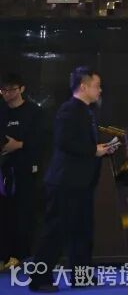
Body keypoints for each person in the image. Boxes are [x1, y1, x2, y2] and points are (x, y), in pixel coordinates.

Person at [29, 67, 119, 293]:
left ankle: (81, 276)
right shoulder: (69, 110)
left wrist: (100, 149)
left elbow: (80, 144)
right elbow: (64, 142)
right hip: (65, 182)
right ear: (83, 86)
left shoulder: (86, 111)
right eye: (97, 86)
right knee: (55, 231)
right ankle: (39, 279)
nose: (100, 90)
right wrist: (93, 150)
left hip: (81, 183)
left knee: (82, 231)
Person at [0, 72, 45, 274]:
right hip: (3, 170)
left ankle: (20, 255)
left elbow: (42, 140)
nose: (7, 94)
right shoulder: (1, 111)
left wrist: (19, 145)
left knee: (22, 214)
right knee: (4, 214)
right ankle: (4, 255)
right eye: (4, 90)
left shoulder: (34, 112)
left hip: (25, 171)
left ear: (22, 89)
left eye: (12, 90)